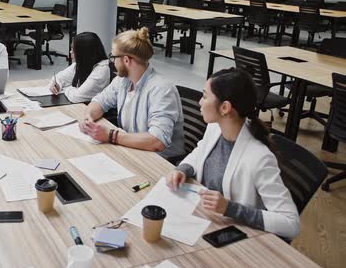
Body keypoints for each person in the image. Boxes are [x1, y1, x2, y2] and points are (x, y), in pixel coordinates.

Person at [166, 68, 300, 240]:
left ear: (225, 107)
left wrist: (229, 208)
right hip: (203, 219)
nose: (200, 102)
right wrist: (183, 169)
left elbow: (291, 224)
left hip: (233, 237)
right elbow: (200, 152)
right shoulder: (216, 127)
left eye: (205, 96)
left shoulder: (259, 158)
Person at [79, 27, 184, 159]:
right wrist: (88, 117)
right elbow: (100, 101)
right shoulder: (123, 81)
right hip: (132, 151)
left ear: (126, 60)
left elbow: (158, 141)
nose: (112, 62)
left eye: (113, 57)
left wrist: (111, 135)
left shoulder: (162, 90)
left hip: (159, 161)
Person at [48, 32, 110, 103]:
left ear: (84, 53)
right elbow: (59, 77)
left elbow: (77, 97)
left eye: (73, 50)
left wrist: (66, 88)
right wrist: (56, 85)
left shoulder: (102, 70)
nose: (70, 52)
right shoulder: (83, 63)